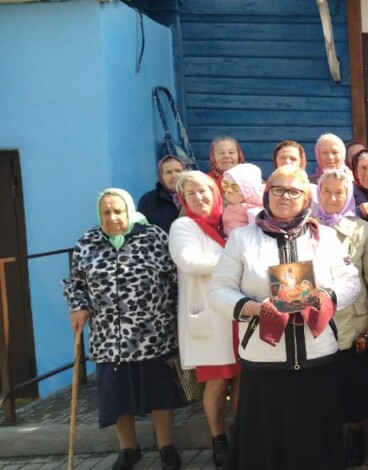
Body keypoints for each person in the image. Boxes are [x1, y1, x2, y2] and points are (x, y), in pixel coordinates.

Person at [207, 165, 362, 469]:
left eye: (294, 191)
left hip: (317, 358)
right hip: (265, 362)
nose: (285, 196)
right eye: (278, 189)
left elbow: (351, 281)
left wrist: (325, 298)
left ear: (307, 198)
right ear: (267, 194)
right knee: (266, 448)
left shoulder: (325, 237)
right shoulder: (242, 239)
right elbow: (218, 291)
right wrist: (254, 308)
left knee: (314, 445)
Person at [63, 189, 183, 470]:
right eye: (106, 212)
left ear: (130, 211)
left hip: (154, 333)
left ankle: (166, 447)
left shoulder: (154, 237)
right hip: (109, 338)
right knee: (116, 396)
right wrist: (78, 306)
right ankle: (128, 449)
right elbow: (75, 283)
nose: (113, 217)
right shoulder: (87, 242)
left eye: (118, 211)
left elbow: (175, 278)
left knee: (160, 393)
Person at [313, 167, 368, 466]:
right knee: (324, 385)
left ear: (348, 195)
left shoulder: (361, 230)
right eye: (326, 192)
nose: (332, 198)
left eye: (339, 193)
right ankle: (329, 439)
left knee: (355, 383)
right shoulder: (306, 227)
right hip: (317, 322)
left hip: (354, 320)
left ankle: (356, 434)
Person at [167, 171, 239, 469]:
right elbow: (189, 262)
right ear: (183, 199)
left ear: (215, 192)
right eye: (191, 193)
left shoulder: (229, 222)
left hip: (237, 314)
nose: (199, 198)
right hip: (210, 317)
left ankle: (242, 436)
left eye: (204, 191)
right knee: (218, 382)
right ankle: (218, 439)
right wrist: (235, 262)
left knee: (243, 379)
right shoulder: (184, 226)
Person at [138, 155, 186, 234]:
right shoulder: (147, 201)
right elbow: (141, 231)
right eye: (168, 172)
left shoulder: (194, 197)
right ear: (161, 176)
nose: (174, 176)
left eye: (178, 171)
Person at [221, 163, 263, 236]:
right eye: (225, 191)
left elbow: (256, 234)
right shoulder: (236, 203)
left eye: (230, 192)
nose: (226, 195)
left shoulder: (253, 211)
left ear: (246, 193)